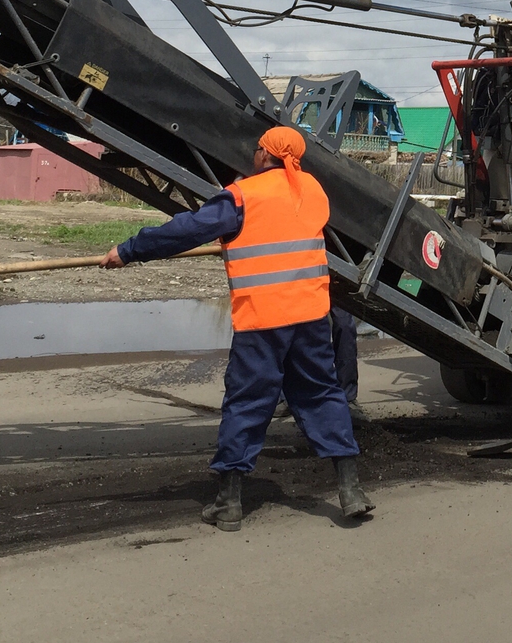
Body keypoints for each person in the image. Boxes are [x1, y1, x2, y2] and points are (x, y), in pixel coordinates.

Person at [101, 126, 372, 531]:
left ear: (267, 155)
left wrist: (129, 251)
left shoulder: (246, 195)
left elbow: (187, 229)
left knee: (247, 401)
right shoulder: (312, 190)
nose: (254, 154)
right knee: (321, 394)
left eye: (258, 149)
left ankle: (229, 503)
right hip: (312, 316)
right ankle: (350, 490)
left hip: (263, 321)